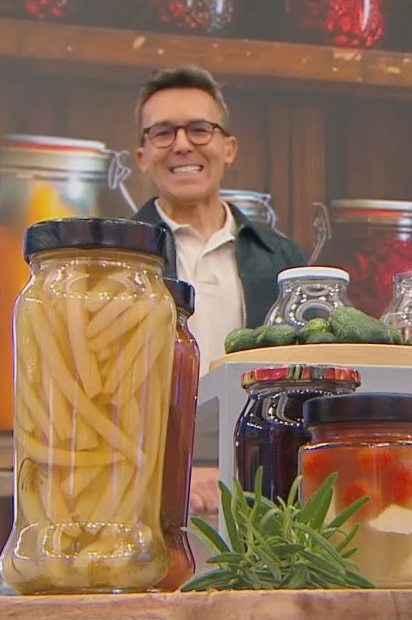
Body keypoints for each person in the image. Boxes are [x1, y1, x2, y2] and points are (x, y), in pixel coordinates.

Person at [129, 64, 307, 513]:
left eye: (199, 129)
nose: (182, 144)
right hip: (140, 489)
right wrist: (170, 473)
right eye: (163, 133)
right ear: (142, 156)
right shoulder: (117, 260)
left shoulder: (282, 259)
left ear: (229, 149)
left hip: (265, 487)